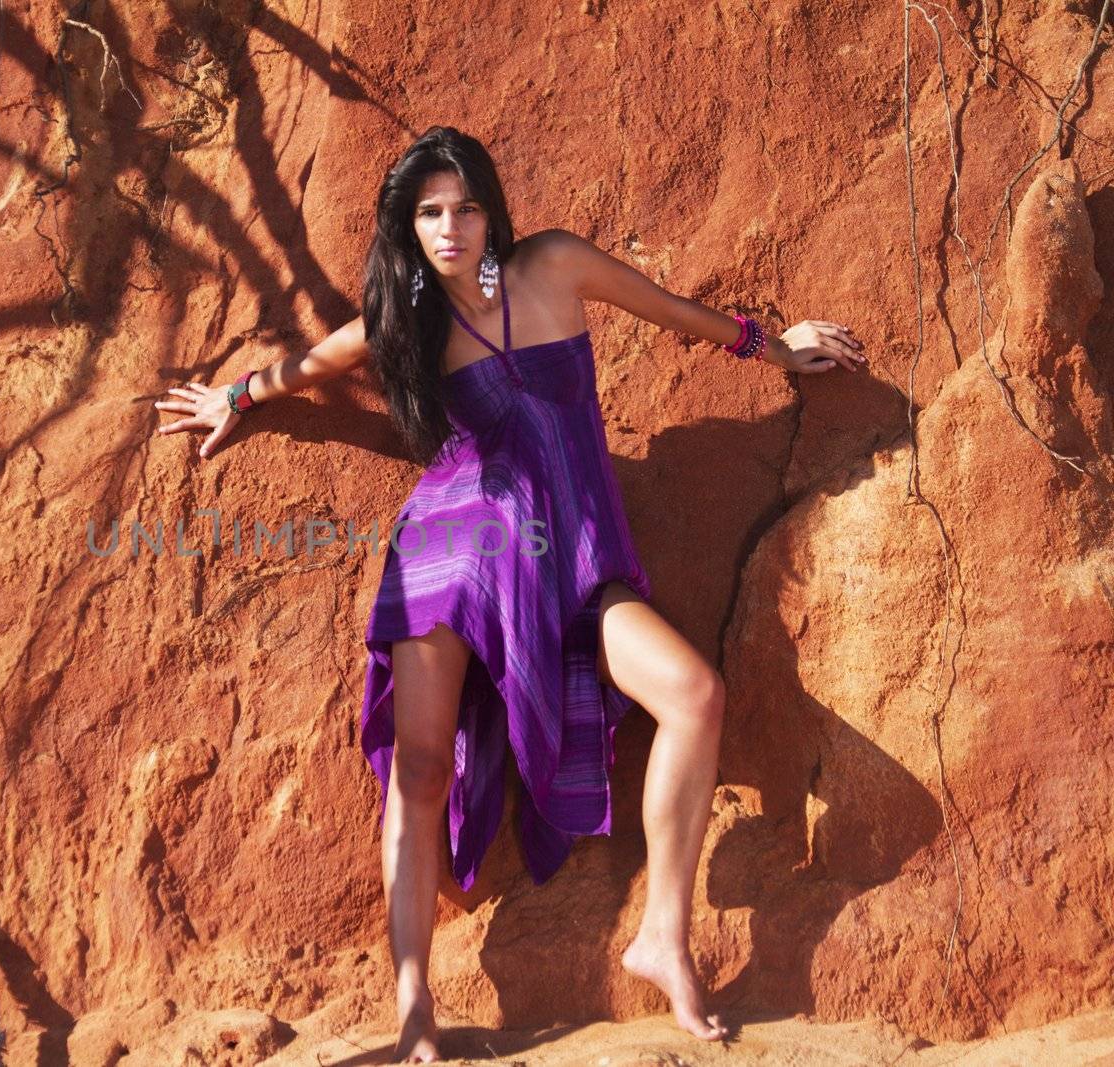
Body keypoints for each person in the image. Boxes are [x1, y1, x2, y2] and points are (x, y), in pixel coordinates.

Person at [152, 125, 866, 1063]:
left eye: (466, 207)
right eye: (431, 214)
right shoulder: (405, 321)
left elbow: (675, 312)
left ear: (493, 209)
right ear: (409, 228)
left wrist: (779, 347)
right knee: (418, 766)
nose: (452, 229)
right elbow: (311, 367)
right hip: (449, 556)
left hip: (566, 560)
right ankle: (414, 1007)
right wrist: (236, 398)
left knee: (694, 694)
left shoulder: (556, 265)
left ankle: (663, 935)